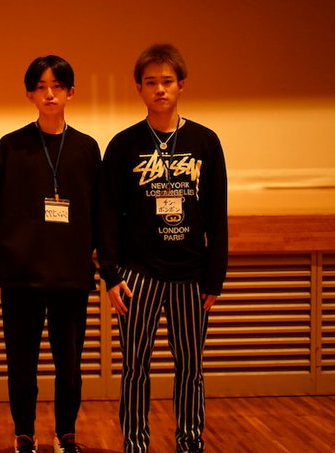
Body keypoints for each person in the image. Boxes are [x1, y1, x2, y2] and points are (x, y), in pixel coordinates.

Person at [98, 44, 228, 453]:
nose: (159, 89)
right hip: (137, 274)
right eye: (151, 82)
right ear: (139, 88)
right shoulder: (123, 145)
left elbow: (217, 213)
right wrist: (110, 275)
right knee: (135, 367)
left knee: (190, 367)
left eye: (167, 81)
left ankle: (190, 442)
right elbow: (106, 214)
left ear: (181, 85)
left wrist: (215, 277)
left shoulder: (205, 141)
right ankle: (136, 444)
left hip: (191, 274)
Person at [0, 55, 101, 453]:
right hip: (21, 278)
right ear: (29, 94)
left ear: (71, 92)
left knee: (70, 368)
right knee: (22, 367)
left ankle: (66, 434)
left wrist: (100, 263)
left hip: (71, 277)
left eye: (57, 86)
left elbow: (99, 211)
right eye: (41, 87)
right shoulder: (11, 145)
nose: (49, 94)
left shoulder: (87, 148)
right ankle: (24, 435)